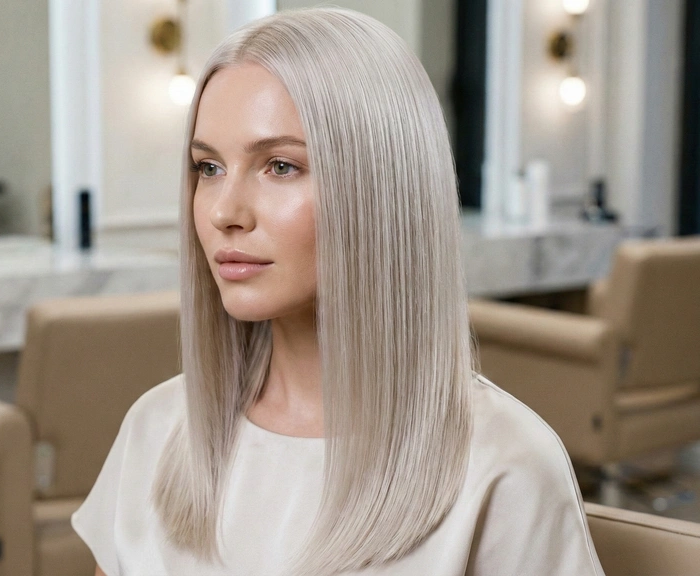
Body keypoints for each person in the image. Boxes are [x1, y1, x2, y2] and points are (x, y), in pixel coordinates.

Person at [71, 7, 605, 575]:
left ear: (382, 187)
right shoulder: (158, 428)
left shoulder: (504, 466)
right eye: (208, 168)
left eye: (280, 166)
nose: (224, 212)